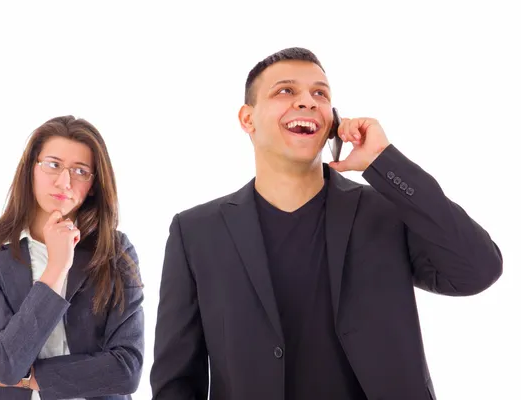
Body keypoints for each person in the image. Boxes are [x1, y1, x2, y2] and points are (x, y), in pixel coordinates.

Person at [149, 48, 503, 400]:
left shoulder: (385, 211)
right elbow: (176, 382)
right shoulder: (195, 232)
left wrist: (384, 162)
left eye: (320, 93)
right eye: (285, 91)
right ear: (248, 119)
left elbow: (477, 269)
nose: (307, 101)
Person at [0, 116, 144, 400]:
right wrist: (57, 267)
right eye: (53, 165)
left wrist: (28, 378)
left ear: (93, 184)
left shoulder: (115, 251)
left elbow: (126, 370)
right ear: (32, 168)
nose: (64, 182)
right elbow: (5, 364)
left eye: (80, 171)